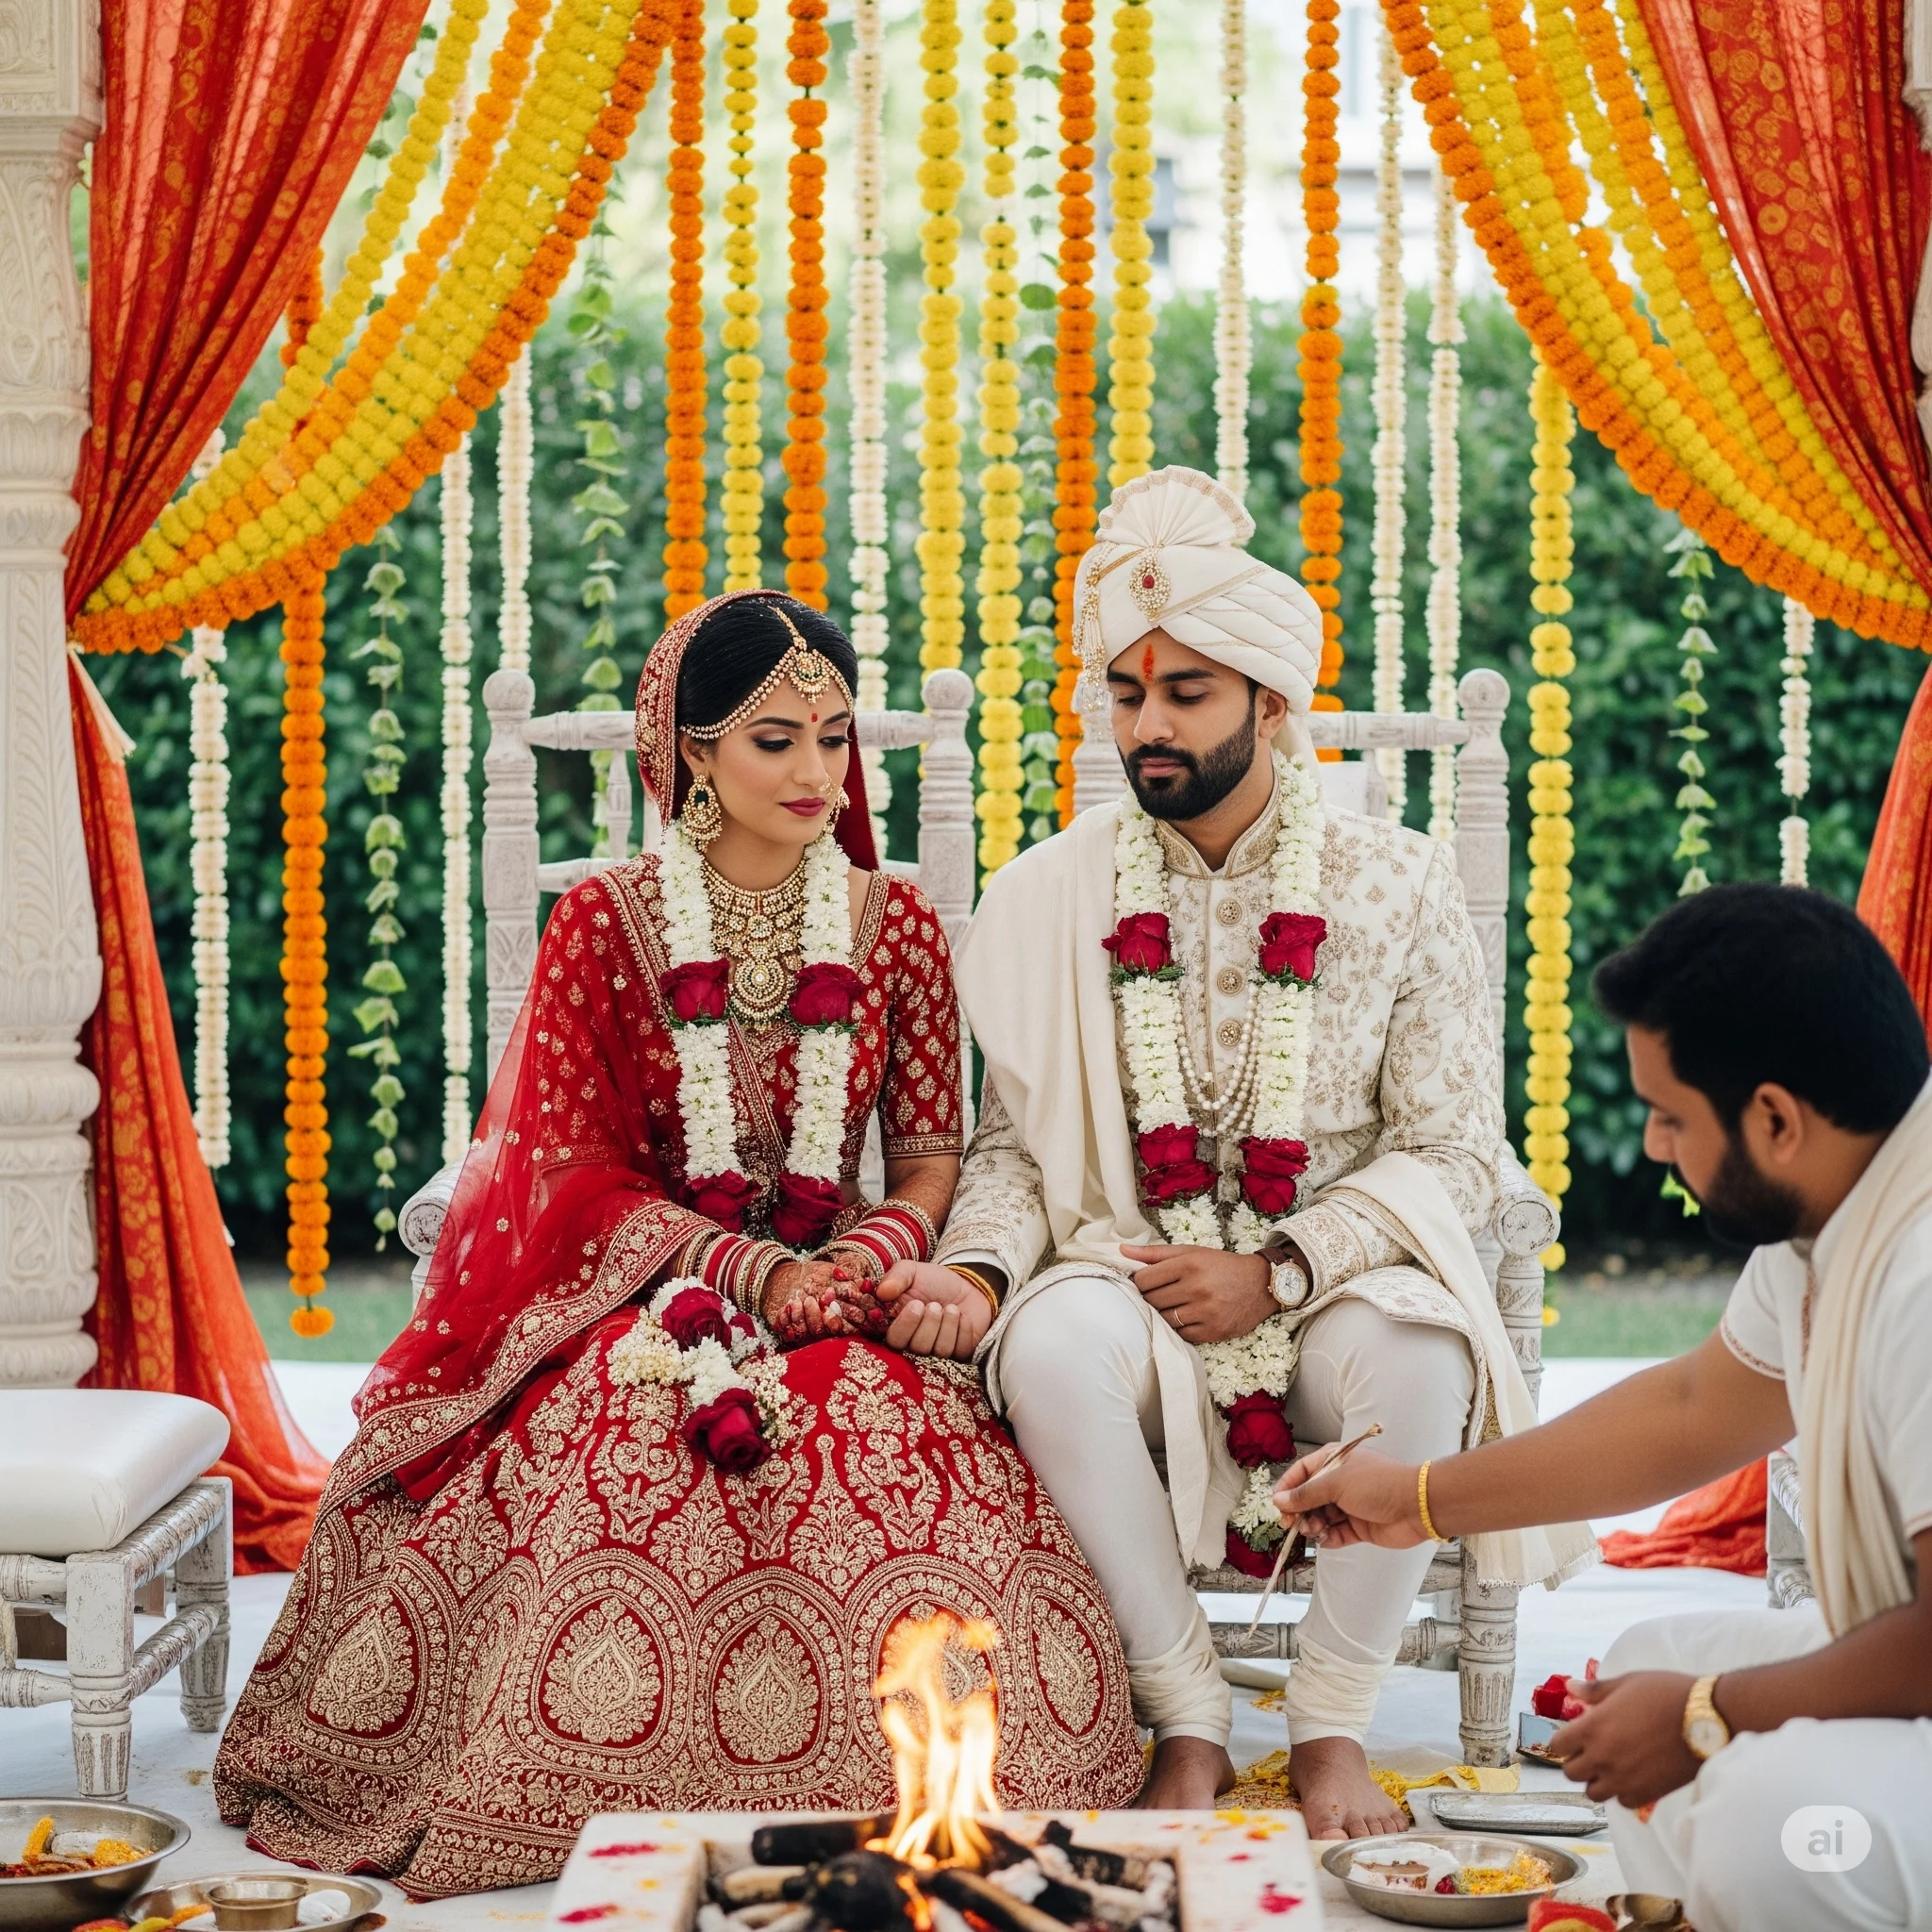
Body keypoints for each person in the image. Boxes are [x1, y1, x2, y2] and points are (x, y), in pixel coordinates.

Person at [215, 591, 1142, 1898]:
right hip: (646, 1295)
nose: (818, 771)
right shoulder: (607, 923)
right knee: (627, 1446)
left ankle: (912, 1787)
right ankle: (601, 1793)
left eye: (834, 737)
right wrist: (747, 1269)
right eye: (776, 740)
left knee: (881, 1429)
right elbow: (569, 1171)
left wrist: (871, 1255)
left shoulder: (900, 927)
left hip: (849, 1292)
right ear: (692, 750)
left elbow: (934, 1153)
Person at [874, 467, 1593, 1832]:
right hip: (1124, 1270)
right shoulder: (1046, 899)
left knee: (1427, 1353)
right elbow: (1018, 1152)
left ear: (1273, 703)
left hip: (1327, 1280)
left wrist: (1280, 1265)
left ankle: (1330, 1725)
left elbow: (1451, 1148)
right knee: (1044, 1346)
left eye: (1185, 692)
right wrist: (974, 1271)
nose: (1145, 724)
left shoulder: (1398, 881)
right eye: (1126, 691)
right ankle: (1189, 1717)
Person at [1274, 883, 1932, 1932]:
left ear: (1774, 1117)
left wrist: (1706, 1713)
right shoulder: (1834, 1221)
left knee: (1772, 1813)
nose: (1659, 1147)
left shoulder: (1917, 1271)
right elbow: (1687, 1408)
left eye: (1669, 1115)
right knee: (1629, 1675)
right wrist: (1415, 1497)